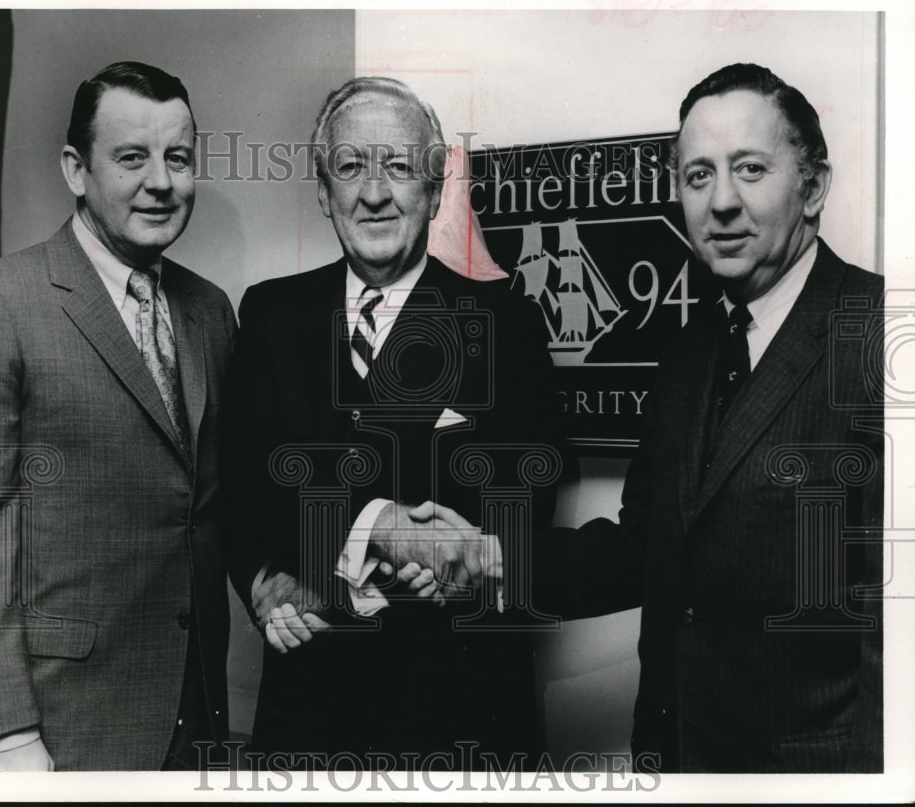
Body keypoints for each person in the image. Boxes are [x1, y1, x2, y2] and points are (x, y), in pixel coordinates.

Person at [533, 63, 883, 773]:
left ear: (813, 187)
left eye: (749, 169)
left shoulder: (882, 337)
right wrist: (484, 557)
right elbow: (645, 552)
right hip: (674, 760)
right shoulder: (688, 353)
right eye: (698, 176)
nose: (720, 202)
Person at [223, 76, 561, 767]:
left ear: (435, 192)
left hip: (460, 716)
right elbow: (242, 481)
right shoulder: (270, 314)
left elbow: (525, 497)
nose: (374, 193)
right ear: (323, 192)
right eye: (350, 167)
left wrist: (448, 558)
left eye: (400, 167)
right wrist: (262, 582)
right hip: (307, 716)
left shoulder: (505, 324)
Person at [0, 61, 236, 771]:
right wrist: (5, 735)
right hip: (58, 727)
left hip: (196, 721)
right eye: (132, 158)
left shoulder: (210, 311)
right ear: (76, 170)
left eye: (178, 158)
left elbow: (215, 502)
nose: (161, 182)